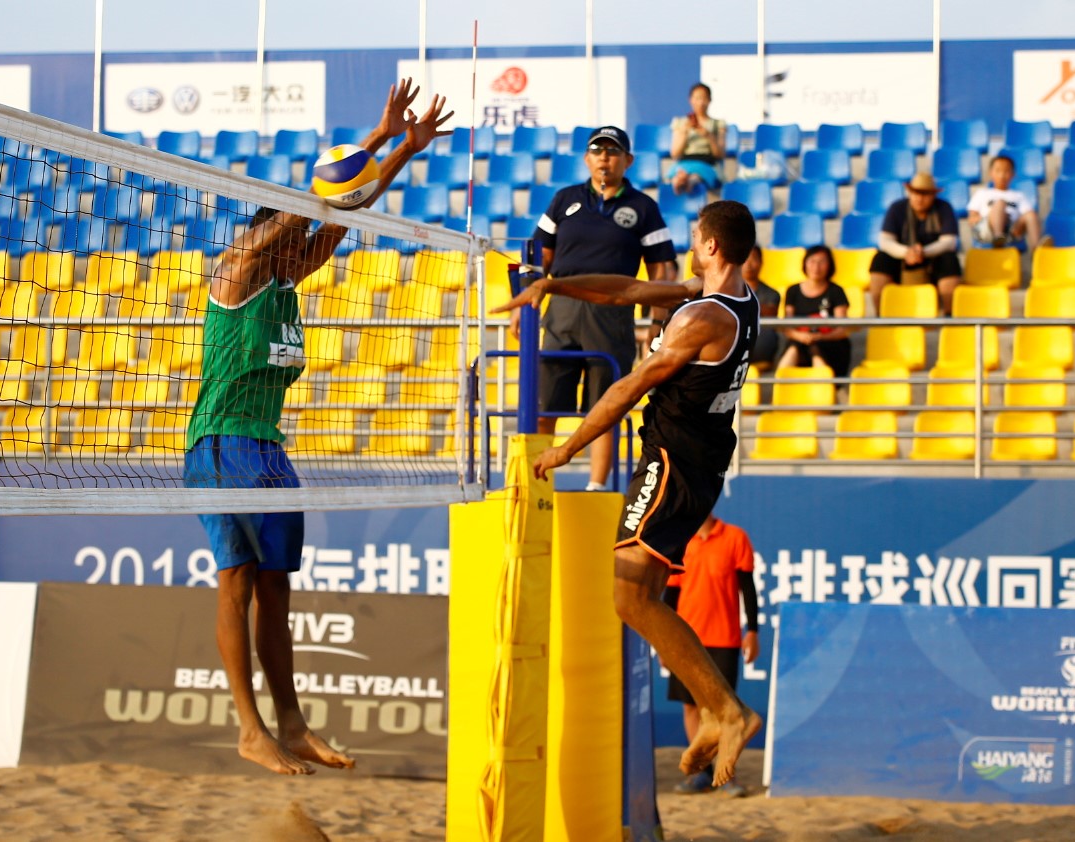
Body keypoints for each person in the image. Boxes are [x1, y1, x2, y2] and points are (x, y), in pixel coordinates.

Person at [182, 79, 452, 776]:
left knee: (277, 588)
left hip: (266, 449)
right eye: (295, 227)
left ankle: (292, 725)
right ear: (273, 228)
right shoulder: (236, 271)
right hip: (220, 443)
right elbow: (321, 199)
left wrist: (404, 149)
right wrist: (373, 135)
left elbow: (349, 202)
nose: (306, 237)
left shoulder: (288, 279)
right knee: (236, 581)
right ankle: (249, 728)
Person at [493, 200, 765, 788]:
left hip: (673, 462)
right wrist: (554, 282)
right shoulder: (736, 299)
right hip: (697, 458)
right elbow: (625, 292)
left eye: (697, 236)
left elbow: (628, 387)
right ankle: (722, 707)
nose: (691, 242)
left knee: (627, 596)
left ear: (713, 246)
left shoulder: (703, 318)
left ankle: (727, 710)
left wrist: (565, 449)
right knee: (636, 594)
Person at [518, 125, 677, 492]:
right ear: (587, 158)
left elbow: (661, 268)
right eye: (597, 150)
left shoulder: (643, 208)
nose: (605, 157)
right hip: (561, 310)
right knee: (546, 404)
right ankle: (537, 484)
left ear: (628, 160)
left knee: (605, 406)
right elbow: (538, 255)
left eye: (613, 151)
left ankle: (596, 486)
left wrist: (656, 320)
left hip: (613, 313)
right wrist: (523, 306)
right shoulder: (564, 199)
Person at [663, 513, 760, 795]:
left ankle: (728, 775)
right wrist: (665, 642)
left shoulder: (734, 537)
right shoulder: (681, 540)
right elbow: (670, 596)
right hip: (685, 640)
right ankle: (701, 774)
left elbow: (748, 588)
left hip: (724, 638)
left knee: (724, 708)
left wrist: (752, 630)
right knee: (691, 707)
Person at [868, 172, 961, 317]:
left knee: (950, 260)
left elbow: (950, 242)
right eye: (916, 193)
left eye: (925, 194)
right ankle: (880, 315)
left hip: (933, 262)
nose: (919, 198)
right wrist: (907, 252)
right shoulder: (897, 208)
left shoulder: (944, 208)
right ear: (909, 192)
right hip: (901, 261)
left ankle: (949, 314)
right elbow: (885, 241)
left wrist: (923, 252)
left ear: (933, 195)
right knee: (880, 260)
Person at [777, 244, 852, 377]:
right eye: (812, 261)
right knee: (795, 347)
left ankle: (823, 390)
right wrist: (800, 336)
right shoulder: (793, 291)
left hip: (830, 343)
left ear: (830, 265)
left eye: (822, 262)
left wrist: (821, 337)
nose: (816, 267)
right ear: (805, 263)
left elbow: (842, 329)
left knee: (816, 348)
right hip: (800, 340)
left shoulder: (837, 291)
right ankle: (780, 387)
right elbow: (787, 326)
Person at [966, 154, 1043, 251]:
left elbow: (1027, 215)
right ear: (991, 173)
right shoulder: (982, 193)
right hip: (987, 229)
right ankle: (999, 238)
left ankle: (1037, 250)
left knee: (1031, 214)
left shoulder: (1018, 196)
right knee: (1000, 203)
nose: (1002, 175)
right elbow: (972, 217)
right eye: (998, 171)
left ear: (1013, 174)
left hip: (1011, 229)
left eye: (1006, 171)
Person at [667, 83, 728, 195]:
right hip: (685, 161)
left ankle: (688, 180)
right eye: (697, 98)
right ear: (690, 100)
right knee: (680, 171)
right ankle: (681, 178)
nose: (700, 102)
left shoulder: (718, 124)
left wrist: (709, 136)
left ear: (709, 100)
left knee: (696, 175)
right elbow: (675, 153)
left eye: (703, 98)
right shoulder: (680, 123)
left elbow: (720, 154)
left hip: (707, 163)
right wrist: (684, 132)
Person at [740, 245, 780, 372]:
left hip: (761, 343)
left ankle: (777, 372)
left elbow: (771, 312)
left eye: (754, 259)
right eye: (745, 259)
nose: (749, 264)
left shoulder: (772, 293)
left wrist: (740, 304)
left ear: (761, 262)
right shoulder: (726, 289)